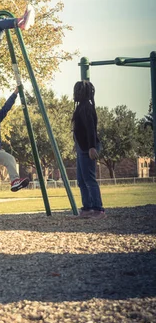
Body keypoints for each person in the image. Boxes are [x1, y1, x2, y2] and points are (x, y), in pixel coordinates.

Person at [72, 80, 105, 219]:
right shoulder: (80, 107)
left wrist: (92, 147)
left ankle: (98, 210)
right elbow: (79, 129)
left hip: (88, 148)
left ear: (84, 93)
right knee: (81, 179)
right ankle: (87, 208)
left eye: (78, 91)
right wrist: (77, 143)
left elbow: (91, 129)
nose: (75, 93)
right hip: (82, 147)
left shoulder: (86, 107)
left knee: (89, 179)